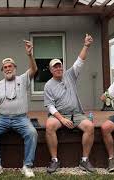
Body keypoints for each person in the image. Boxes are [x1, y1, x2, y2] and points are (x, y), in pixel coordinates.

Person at [0, 40, 38, 177]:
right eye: (5, 67)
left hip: (21, 118)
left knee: (32, 133)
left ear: (15, 68)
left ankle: (27, 166)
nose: (8, 69)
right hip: (2, 118)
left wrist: (29, 54)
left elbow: (34, 69)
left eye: (10, 66)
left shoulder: (23, 79)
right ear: (2, 70)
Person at [44, 34, 95, 173]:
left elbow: (80, 60)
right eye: (55, 67)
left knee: (90, 127)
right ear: (51, 70)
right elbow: (50, 106)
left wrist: (86, 45)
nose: (58, 68)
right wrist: (61, 119)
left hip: (76, 114)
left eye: (60, 66)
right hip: (59, 116)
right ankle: (54, 160)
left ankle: (84, 160)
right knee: (49, 126)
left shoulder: (70, 75)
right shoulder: (48, 85)